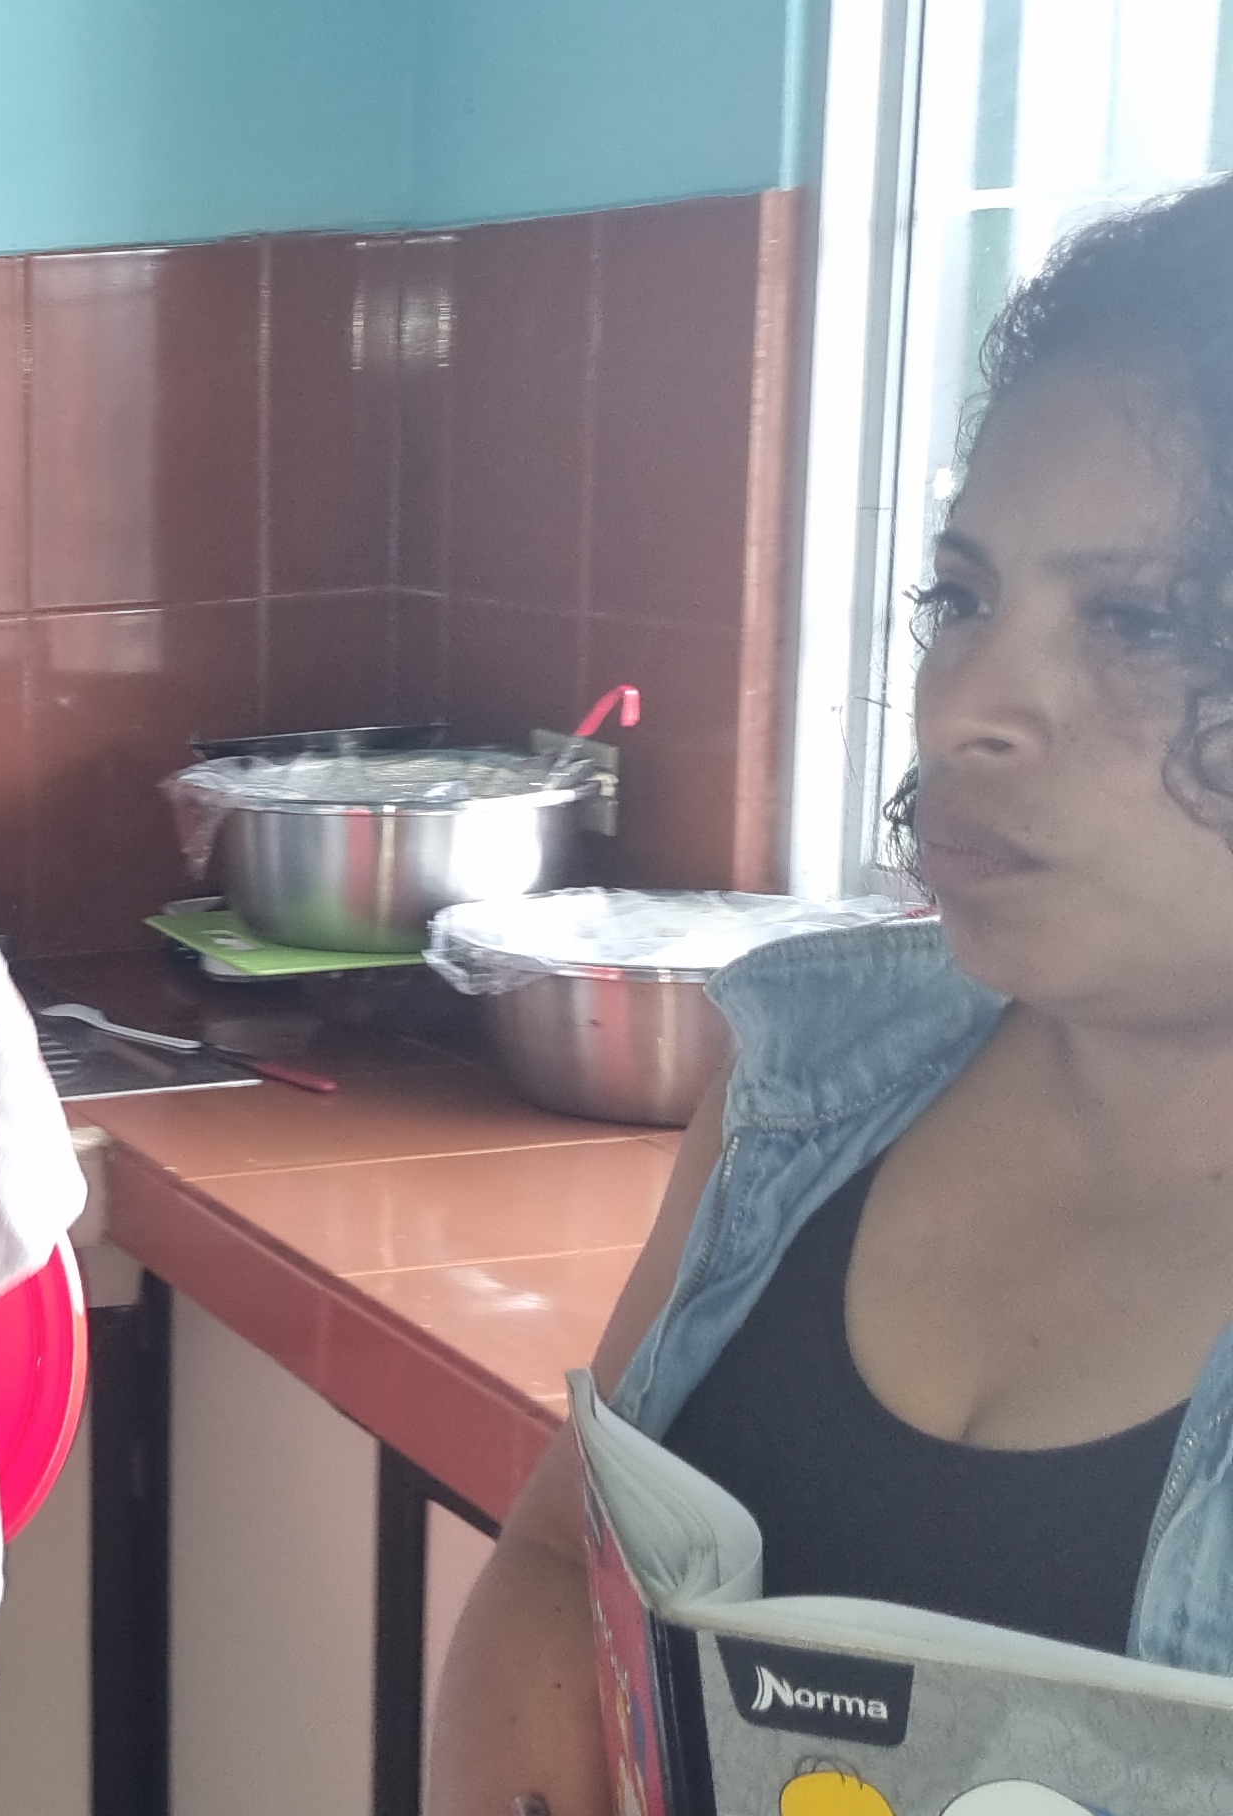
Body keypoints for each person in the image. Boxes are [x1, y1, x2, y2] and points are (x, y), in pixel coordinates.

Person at [430, 177, 1233, 1813]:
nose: (967, 704)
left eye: (1138, 621)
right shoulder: (811, 1081)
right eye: (965, 596)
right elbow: (561, 1563)